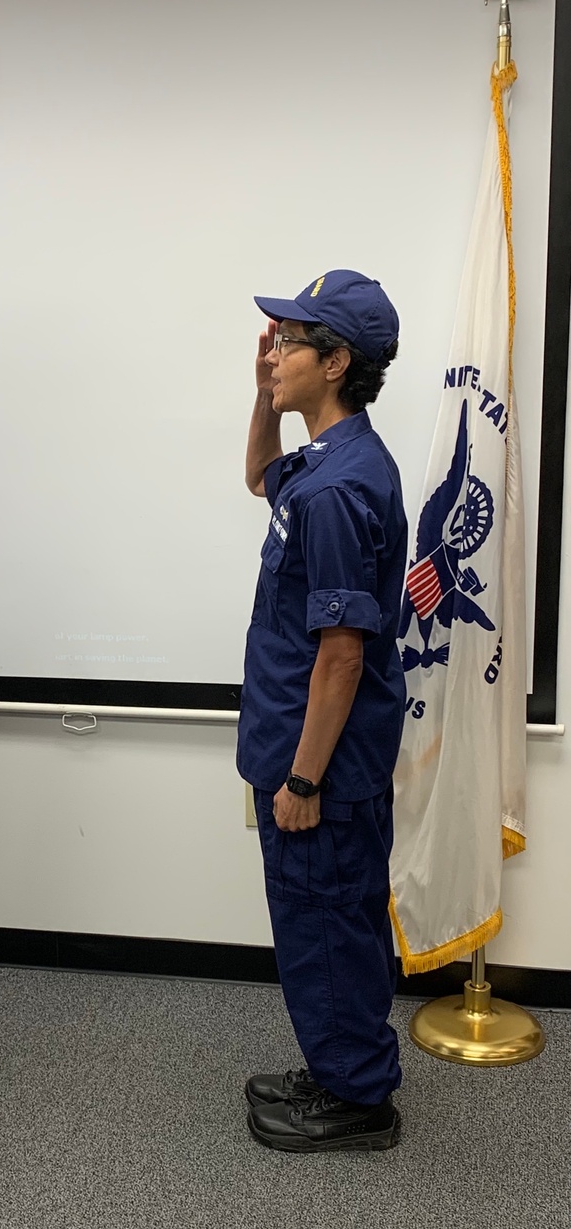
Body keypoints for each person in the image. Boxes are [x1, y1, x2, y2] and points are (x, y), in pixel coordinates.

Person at [237, 270, 407, 1153]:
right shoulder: (322, 464)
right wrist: (260, 391)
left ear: (335, 362)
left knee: (330, 920)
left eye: (290, 343)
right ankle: (338, 1059)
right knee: (318, 921)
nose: (276, 354)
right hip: (296, 745)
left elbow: (342, 653)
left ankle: (358, 1099)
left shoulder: (341, 489)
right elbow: (260, 475)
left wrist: (303, 776)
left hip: (321, 766)